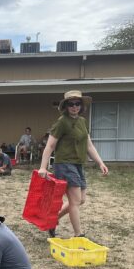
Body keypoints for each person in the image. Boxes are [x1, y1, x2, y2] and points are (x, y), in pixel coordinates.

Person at [39, 90, 108, 238]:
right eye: (71, 104)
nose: (74, 107)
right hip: (64, 164)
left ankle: (53, 220)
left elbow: (89, 145)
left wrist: (100, 163)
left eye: (77, 103)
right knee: (75, 201)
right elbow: (50, 146)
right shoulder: (62, 122)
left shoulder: (82, 121)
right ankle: (79, 235)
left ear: (81, 105)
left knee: (80, 200)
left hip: (78, 164)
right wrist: (43, 167)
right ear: (66, 106)